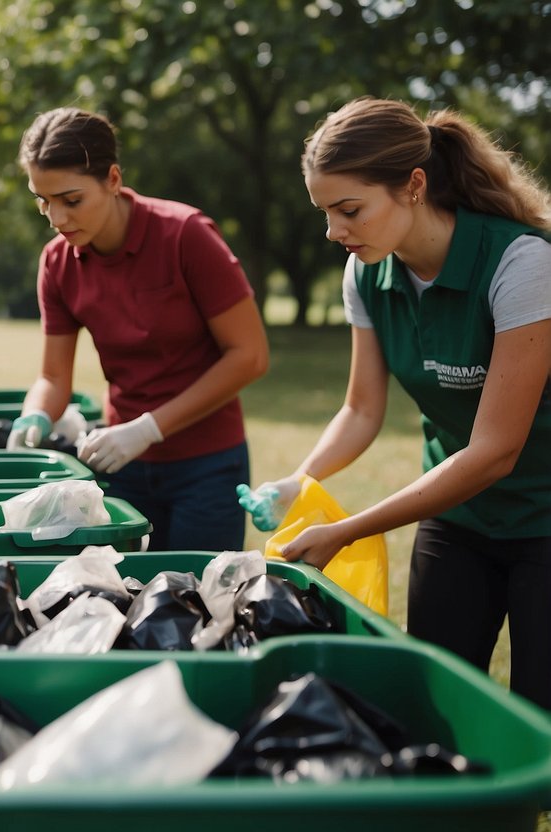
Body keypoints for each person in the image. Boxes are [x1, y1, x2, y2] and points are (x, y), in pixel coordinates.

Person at [238, 96, 551, 708]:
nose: (333, 232)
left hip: (545, 516)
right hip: (458, 518)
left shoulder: (522, 263)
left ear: (413, 185)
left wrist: (347, 531)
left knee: (540, 719)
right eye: (325, 213)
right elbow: (360, 410)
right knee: (427, 702)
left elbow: (493, 452)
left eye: (349, 210)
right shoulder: (367, 275)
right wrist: (301, 480)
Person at [10, 107, 269, 552]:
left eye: (71, 200)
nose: (56, 218)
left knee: (195, 604)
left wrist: (148, 428)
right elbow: (53, 378)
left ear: (112, 179)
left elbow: (250, 356)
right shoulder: (57, 262)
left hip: (206, 467)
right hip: (121, 465)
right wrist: (33, 415)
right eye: (42, 200)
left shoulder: (186, 235)